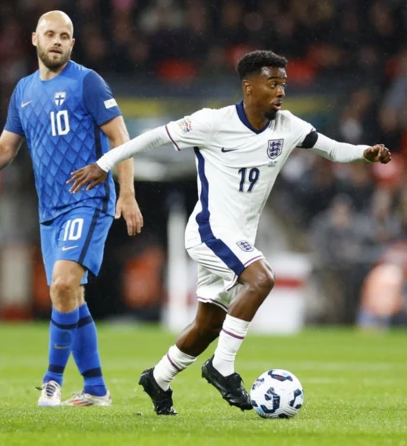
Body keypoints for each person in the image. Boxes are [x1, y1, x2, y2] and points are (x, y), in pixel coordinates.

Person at [67, 50, 392, 415]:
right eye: (272, 84)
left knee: (208, 324)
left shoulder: (288, 126)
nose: (280, 92)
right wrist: (104, 163)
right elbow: (152, 139)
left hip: (238, 237)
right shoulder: (212, 122)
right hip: (210, 230)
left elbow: (331, 149)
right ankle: (222, 367)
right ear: (249, 87)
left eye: (283, 84)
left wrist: (367, 152)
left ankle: (157, 379)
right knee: (261, 279)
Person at [0, 10, 143, 407]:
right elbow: (6, 148)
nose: (57, 41)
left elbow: (121, 138)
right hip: (51, 210)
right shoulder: (23, 91)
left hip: (89, 200)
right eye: (50, 34)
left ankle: (51, 381)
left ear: (72, 44)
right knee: (68, 296)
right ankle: (96, 389)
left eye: (65, 35)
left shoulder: (87, 82)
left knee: (63, 285)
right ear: (35, 39)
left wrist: (126, 193)